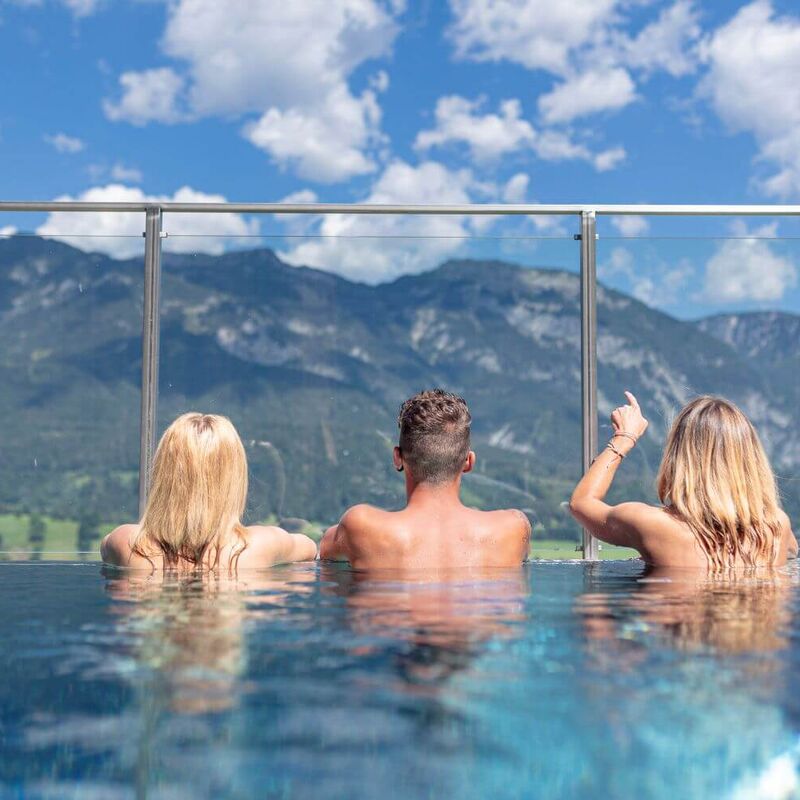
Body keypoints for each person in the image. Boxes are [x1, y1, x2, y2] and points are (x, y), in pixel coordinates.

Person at [569, 392, 797, 569]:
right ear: (750, 462)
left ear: (679, 459)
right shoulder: (777, 526)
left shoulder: (654, 525)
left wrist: (624, 437)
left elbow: (581, 503)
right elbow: (792, 552)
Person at [319, 389, 531, 568]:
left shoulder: (361, 526)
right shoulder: (513, 528)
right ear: (469, 461)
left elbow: (323, 549)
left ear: (397, 458)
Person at [101, 413, 317, 571]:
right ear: (234, 478)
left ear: (163, 475)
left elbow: (105, 547)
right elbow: (310, 548)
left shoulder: (128, 544)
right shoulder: (262, 545)